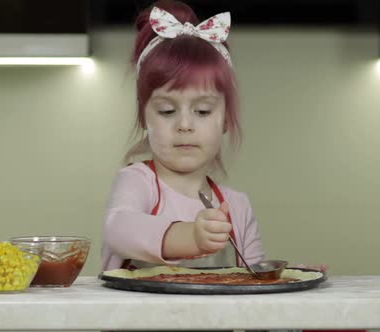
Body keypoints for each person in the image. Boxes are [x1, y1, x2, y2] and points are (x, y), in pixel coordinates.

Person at [101, 0, 265, 272]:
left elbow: (254, 279)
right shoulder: (139, 183)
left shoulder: (236, 206)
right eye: (167, 111)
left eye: (202, 111)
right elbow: (118, 229)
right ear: (144, 117)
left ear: (225, 119)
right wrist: (190, 238)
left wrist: (286, 278)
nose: (185, 125)